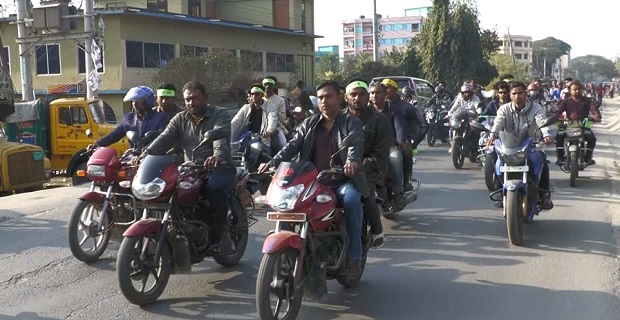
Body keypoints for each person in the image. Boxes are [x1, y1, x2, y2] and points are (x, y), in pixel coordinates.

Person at [258, 80, 367, 276]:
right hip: (311, 182)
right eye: (321, 97)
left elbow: (355, 146)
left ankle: (354, 255)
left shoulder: (352, 122)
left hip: (340, 181)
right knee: (286, 205)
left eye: (329, 97)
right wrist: (272, 163)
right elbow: (292, 146)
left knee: (352, 200)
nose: (324, 101)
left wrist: (351, 161)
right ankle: (288, 252)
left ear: (340, 98)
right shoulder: (309, 123)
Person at [146, 81, 236, 252]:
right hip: (191, 168)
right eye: (187, 99)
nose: (190, 103)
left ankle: (222, 233)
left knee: (214, 188)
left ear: (205, 97)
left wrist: (216, 156)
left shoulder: (220, 114)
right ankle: (181, 225)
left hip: (219, 167)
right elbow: (164, 139)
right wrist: (146, 155)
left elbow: (220, 138)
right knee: (167, 187)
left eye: (195, 98)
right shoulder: (180, 118)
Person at [486, 82, 554, 210]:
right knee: (497, 164)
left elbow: (542, 122)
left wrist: (546, 134)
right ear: (510, 95)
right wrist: (492, 135)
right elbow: (498, 122)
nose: (517, 96)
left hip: (531, 144)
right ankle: (502, 192)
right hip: (509, 146)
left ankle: (544, 193)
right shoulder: (503, 109)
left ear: (526, 93)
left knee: (542, 160)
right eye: (514, 93)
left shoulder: (536, 108)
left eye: (520, 93)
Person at [343, 79, 391, 248]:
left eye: (362, 94)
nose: (357, 98)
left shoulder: (379, 120)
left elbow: (380, 156)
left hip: (370, 171)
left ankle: (377, 230)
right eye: (353, 95)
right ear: (346, 97)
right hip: (339, 170)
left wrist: (359, 165)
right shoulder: (338, 119)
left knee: (367, 197)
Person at [90, 86, 168, 149]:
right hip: (132, 156)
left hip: (151, 157)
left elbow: (162, 137)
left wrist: (151, 138)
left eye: (138, 100)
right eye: (133, 101)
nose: (134, 104)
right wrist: (98, 144)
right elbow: (114, 135)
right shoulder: (128, 118)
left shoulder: (160, 118)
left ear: (147, 101)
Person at [369, 82, 406, 214]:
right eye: (372, 93)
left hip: (389, 147)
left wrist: (400, 140)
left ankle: (397, 191)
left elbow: (399, 127)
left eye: (378, 93)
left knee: (395, 159)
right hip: (368, 149)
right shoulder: (365, 111)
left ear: (385, 95)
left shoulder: (394, 110)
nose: (375, 96)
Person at [383, 78, 421, 191]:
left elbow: (422, 125)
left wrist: (413, 141)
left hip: (399, 140)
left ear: (395, 90)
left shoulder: (404, 107)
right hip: (379, 142)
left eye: (388, 88)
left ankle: (403, 184)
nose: (385, 91)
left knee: (402, 153)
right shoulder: (373, 108)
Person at [555, 81, 601, 166]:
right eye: (574, 89)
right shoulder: (565, 102)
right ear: (570, 91)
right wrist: (556, 117)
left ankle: (588, 158)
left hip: (584, 124)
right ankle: (560, 158)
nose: (577, 91)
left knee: (592, 139)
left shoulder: (587, 101)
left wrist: (596, 117)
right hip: (569, 125)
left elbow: (594, 110)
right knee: (558, 137)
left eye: (579, 89)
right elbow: (558, 111)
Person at [230, 83, 278, 148]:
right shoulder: (246, 107)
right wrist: (227, 129)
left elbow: (272, 119)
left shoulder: (271, 107)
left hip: (262, 140)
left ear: (262, 95)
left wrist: (269, 131)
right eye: (252, 94)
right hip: (245, 139)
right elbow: (235, 122)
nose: (254, 96)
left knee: (279, 145)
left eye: (257, 94)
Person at [262, 76, 288, 153]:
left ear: (273, 87)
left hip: (276, 128)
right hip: (260, 127)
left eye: (270, 85)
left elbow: (283, 118)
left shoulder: (280, 100)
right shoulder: (259, 98)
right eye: (265, 84)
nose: (267, 87)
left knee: (283, 144)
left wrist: (274, 111)